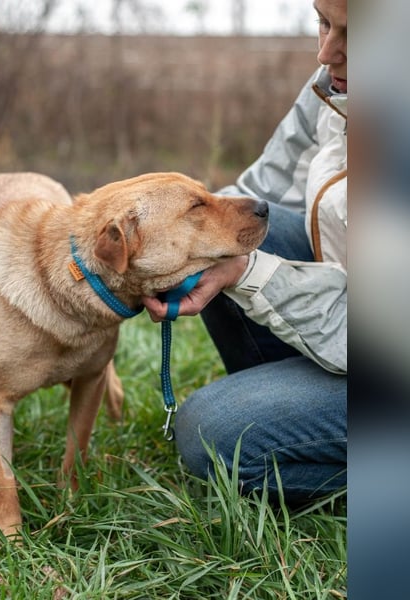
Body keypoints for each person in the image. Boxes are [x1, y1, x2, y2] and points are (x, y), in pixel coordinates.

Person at [142, 0, 347, 506]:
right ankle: (285, 408)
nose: (326, 52)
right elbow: (259, 189)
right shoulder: (337, 86)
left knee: (211, 436)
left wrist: (248, 273)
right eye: (323, 21)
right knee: (227, 238)